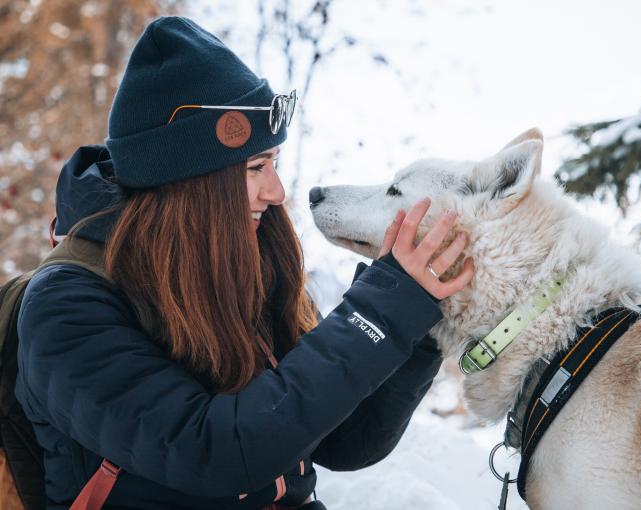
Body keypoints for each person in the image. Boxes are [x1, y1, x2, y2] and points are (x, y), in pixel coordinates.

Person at [14, 16, 474, 510]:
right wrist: (381, 309)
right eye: (256, 167)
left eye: (274, 162)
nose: (275, 192)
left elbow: (346, 440)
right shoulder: (66, 306)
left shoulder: (243, 266)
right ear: (190, 180)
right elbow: (215, 453)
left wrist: (416, 325)